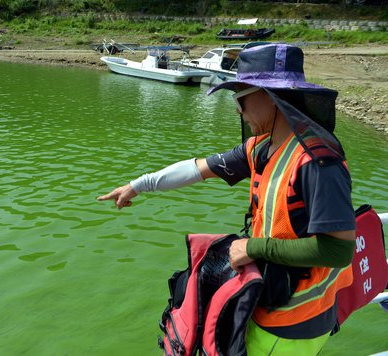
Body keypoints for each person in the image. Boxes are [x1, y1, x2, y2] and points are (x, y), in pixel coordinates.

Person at [97, 44, 357, 355]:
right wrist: (139, 185)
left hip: (292, 325)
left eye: (241, 99)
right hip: (269, 303)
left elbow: (338, 250)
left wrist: (253, 247)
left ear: (270, 96)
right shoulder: (262, 147)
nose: (238, 109)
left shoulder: (316, 163)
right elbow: (197, 169)